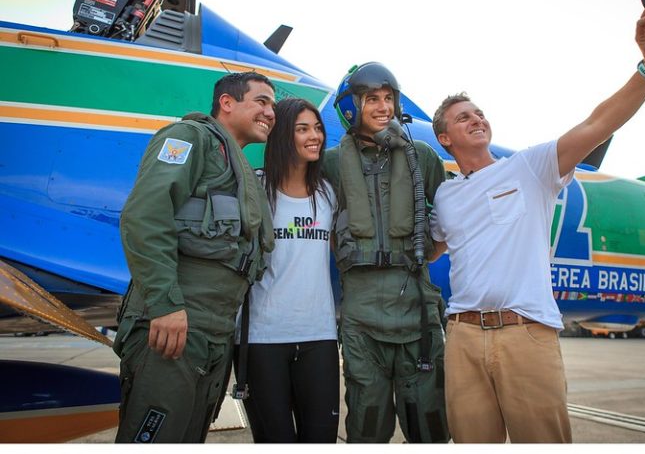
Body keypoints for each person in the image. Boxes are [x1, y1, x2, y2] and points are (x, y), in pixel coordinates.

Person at [429, 5, 645, 443]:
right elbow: (428, 248)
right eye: (463, 117)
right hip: (462, 336)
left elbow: (598, 123)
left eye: (479, 113)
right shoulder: (445, 196)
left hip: (525, 335)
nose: (476, 119)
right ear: (445, 137)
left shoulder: (530, 168)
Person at [114, 72, 276, 443]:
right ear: (227, 103)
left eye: (272, 106)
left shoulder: (241, 172)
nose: (271, 112)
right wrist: (165, 304)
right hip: (177, 322)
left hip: (212, 334)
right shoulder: (190, 139)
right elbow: (145, 217)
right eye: (261, 101)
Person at [322, 62, 449, 443]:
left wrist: (424, 253)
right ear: (351, 106)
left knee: (428, 422)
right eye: (372, 99)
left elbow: (446, 219)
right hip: (361, 316)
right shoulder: (330, 164)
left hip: (417, 311)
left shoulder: (422, 157)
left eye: (389, 98)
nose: (383, 107)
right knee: (367, 421)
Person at [233, 98, 339, 443]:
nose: (315, 136)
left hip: (319, 338)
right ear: (282, 136)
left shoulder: (328, 194)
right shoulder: (253, 189)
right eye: (303, 128)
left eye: (318, 127)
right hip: (262, 339)